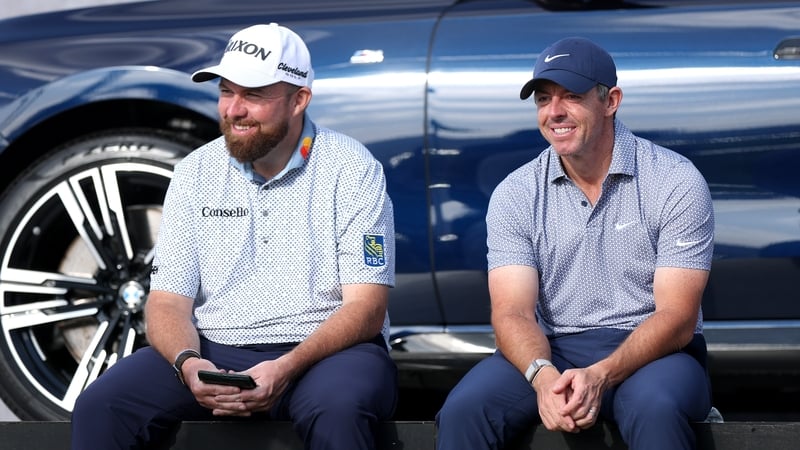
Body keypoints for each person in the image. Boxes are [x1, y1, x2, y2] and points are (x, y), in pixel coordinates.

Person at [71, 23, 397, 450]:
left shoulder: (353, 169)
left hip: (327, 353)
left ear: (299, 100)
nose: (234, 110)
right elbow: (167, 301)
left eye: (254, 95)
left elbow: (367, 308)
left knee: (339, 408)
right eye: (227, 91)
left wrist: (287, 366)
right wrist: (189, 364)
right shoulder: (195, 172)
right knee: (102, 406)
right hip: (214, 351)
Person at [435, 37, 715, 450]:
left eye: (572, 97)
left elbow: (677, 317)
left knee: (653, 406)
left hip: (656, 353)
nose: (554, 113)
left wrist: (600, 374)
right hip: (553, 348)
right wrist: (543, 377)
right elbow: (511, 312)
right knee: (465, 409)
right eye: (544, 99)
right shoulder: (515, 193)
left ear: (611, 100)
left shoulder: (674, 180)